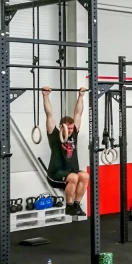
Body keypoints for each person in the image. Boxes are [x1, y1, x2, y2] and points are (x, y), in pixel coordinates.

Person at [42, 86, 89, 216]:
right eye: (68, 128)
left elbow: (78, 114)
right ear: (61, 127)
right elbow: (49, 114)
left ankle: (76, 205)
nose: (70, 131)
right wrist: (45, 96)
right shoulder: (54, 134)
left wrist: (81, 96)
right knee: (74, 177)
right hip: (55, 174)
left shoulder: (74, 134)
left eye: (72, 128)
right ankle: (69, 206)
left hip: (71, 172)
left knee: (85, 176)